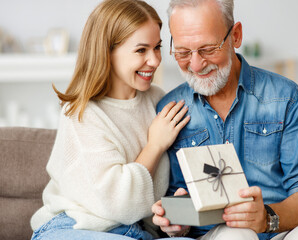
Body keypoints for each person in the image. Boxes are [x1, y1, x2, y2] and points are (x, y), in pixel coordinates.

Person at [151, 0, 298, 239]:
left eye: (208, 49)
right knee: (236, 235)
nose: (196, 65)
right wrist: (175, 221)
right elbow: (174, 201)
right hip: (215, 235)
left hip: (277, 229)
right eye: (183, 52)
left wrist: (266, 217)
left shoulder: (285, 97)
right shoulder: (169, 110)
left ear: (236, 35)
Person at [30, 0, 191, 239]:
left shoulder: (159, 101)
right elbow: (119, 204)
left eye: (157, 47)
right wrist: (155, 145)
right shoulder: (81, 113)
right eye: (141, 50)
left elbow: (163, 196)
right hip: (74, 227)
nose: (155, 61)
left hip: (136, 232)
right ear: (107, 51)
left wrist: (178, 217)